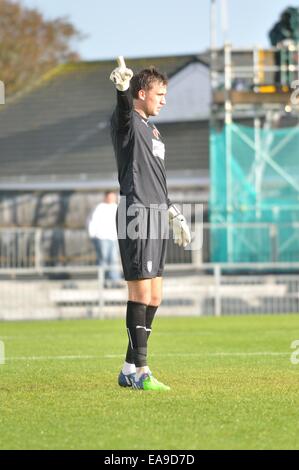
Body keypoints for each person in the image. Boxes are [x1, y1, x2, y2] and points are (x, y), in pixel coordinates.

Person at [110, 58, 191, 391]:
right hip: (136, 212)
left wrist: (172, 211)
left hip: (157, 212)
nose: (164, 100)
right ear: (141, 93)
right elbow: (123, 112)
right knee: (140, 292)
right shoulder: (128, 120)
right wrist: (121, 91)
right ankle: (141, 372)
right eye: (159, 94)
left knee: (155, 296)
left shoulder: (154, 130)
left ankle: (129, 366)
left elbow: (156, 178)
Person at [88, 191, 121, 285]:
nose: (112, 198)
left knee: (114, 259)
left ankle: (115, 280)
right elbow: (92, 221)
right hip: (102, 238)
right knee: (103, 259)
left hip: (114, 238)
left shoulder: (117, 208)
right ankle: (103, 281)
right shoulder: (100, 208)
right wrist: (93, 235)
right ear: (106, 197)